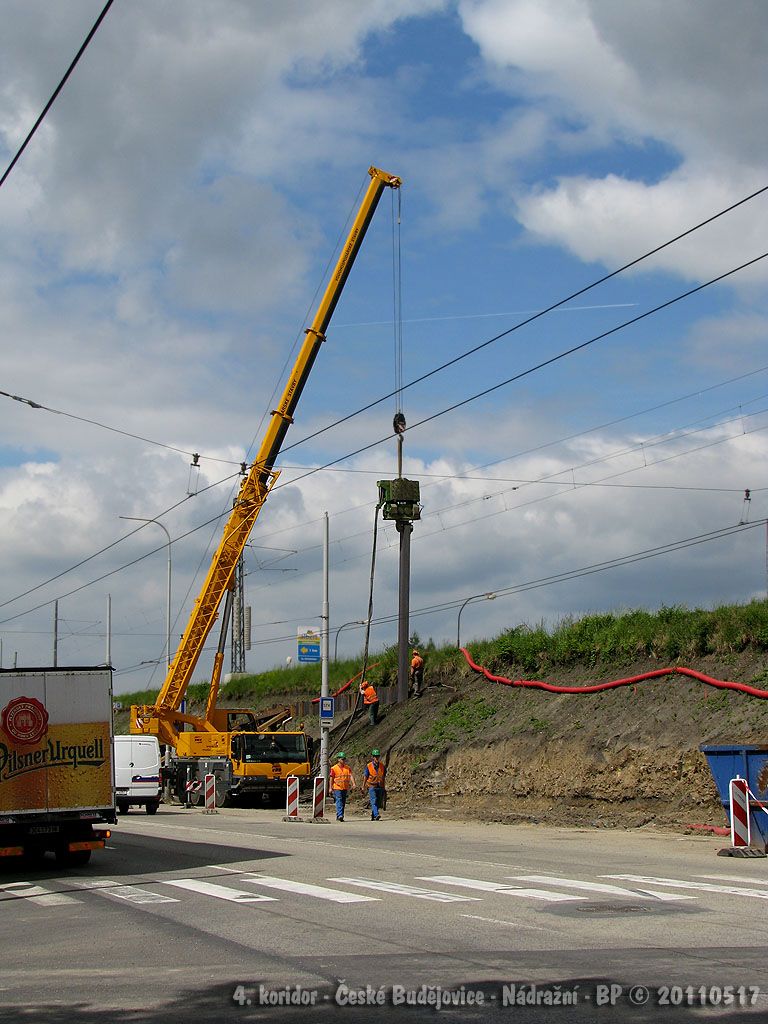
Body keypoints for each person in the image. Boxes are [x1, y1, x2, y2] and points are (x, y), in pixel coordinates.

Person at [329, 752, 355, 821]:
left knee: (343, 802)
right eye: (342, 759)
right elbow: (331, 778)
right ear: (338, 759)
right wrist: (330, 788)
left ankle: (339, 815)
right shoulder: (334, 768)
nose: (343, 760)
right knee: (339, 800)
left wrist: (353, 783)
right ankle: (340, 815)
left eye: (344, 759)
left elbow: (350, 776)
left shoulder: (347, 768)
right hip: (337, 787)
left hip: (345, 787)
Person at [361, 748, 386, 821]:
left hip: (380, 786)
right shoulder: (369, 766)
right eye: (375, 756)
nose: (376, 758)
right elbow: (365, 776)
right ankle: (376, 814)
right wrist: (363, 786)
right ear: (372, 757)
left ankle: (373, 815)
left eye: (378, 756)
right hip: (371, 786)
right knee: (373, 800)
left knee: (378, 802)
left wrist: (384, 787)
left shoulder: (382, 766)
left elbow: (383, 777)